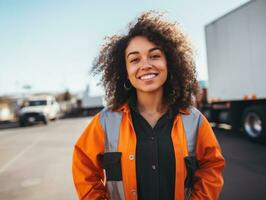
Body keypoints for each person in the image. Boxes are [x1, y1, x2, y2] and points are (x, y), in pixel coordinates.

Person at [72, 11, 225, 200]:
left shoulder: (194, 120)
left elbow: (211, 166)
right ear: (124, 71)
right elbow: (83, 166)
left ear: (170, 63)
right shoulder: (105, 121)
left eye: (154, 55)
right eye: (135, 59)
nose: (145, 65)